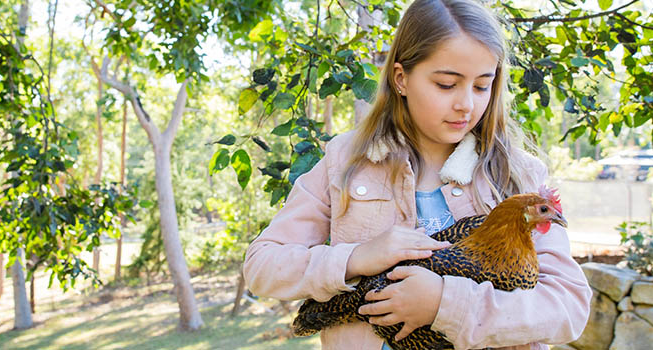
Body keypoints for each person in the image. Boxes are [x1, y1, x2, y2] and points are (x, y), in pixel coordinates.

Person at [242, 0, 592, 349]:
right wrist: (356, 257)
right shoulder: (346, 160)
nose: (466, 104)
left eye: (481, 86)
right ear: (401, 78)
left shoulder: (518, 174)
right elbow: (263, 266)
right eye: (445, 84)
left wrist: (445, 304)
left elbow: (568, 307)